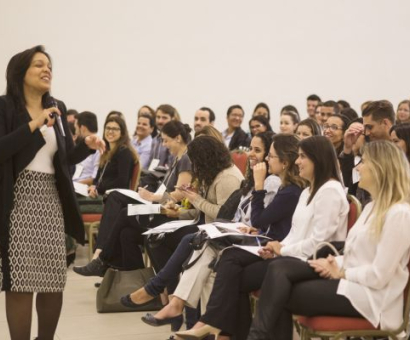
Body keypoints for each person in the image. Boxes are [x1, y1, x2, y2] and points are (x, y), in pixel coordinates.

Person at [178, 136, 349, 340]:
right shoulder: (309, 191)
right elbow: (295, 233)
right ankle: (223, 330)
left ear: (318, 159)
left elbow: (320, 242)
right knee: (232, 263)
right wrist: (276, 247)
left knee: (237, 265)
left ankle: (220, 327)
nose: (297, 161)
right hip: (293, 254)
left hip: (311, 259)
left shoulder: (329, 191)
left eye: (303, 157)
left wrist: (281, 249)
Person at [247, 140, 410, 340]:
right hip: (354, 284)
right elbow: (356, 254)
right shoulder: (371, 208)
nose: (358, 167)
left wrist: (342, 272)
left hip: (373, 298)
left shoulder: (399, 214)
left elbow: (379, 275)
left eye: (364, 162)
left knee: (282, 290)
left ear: (380, 168)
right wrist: (333, 262)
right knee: (280, 277)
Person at [0, 45, 105, 340]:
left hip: (50, 198)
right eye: (38, 65)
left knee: (52, 279)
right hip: (18, 198)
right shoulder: (5, 107)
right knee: (20, 279)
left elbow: (65, 158)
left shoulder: (57, 107)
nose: (47, 70)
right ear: (20, 73)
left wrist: (86, 144)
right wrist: (35, 125)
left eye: (49, 66)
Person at [73, 121, 193, 275]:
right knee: (126, 234)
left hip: (168, 212)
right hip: (159, 205)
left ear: (177, 138)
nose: (164, 145)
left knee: (117, 201)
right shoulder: (178, 159)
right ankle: (135, 280)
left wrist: (152, 196)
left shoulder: (186, 159)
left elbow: (180, 194)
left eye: (166, 140)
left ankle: (101, 258)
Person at [88, 115, 138, 198]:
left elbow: (122, 182)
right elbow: (98, 177)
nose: (110, 131)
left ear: (122, 133)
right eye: (108, 128)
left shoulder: (124, 152)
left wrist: (98, 189)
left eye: (115, 129)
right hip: (102, 194)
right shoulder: (105, 151)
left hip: (114, 198)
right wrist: (93, 186)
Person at [73, 111, 100, 185]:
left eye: (76, 128)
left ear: (83, 128)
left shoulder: (98, 146)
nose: (76, 132)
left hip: (85, 188)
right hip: (76, 184)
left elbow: (95, 178)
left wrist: (72, 185)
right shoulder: (82, 144)